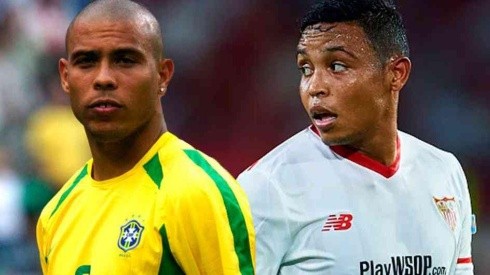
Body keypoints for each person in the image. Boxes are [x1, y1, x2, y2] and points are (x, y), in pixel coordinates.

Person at [237, 0, 474, 274]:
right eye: (305, 69)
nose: (314, 87)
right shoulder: (267, 187)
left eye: (337, 66)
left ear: (396, 74)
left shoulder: (444, 171)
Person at [36, 1, 255, 274]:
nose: (103, 78)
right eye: (87, 61)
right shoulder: (56, 213)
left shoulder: (196, 190)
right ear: (65, 77)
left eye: (125, 60)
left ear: (163, 76)